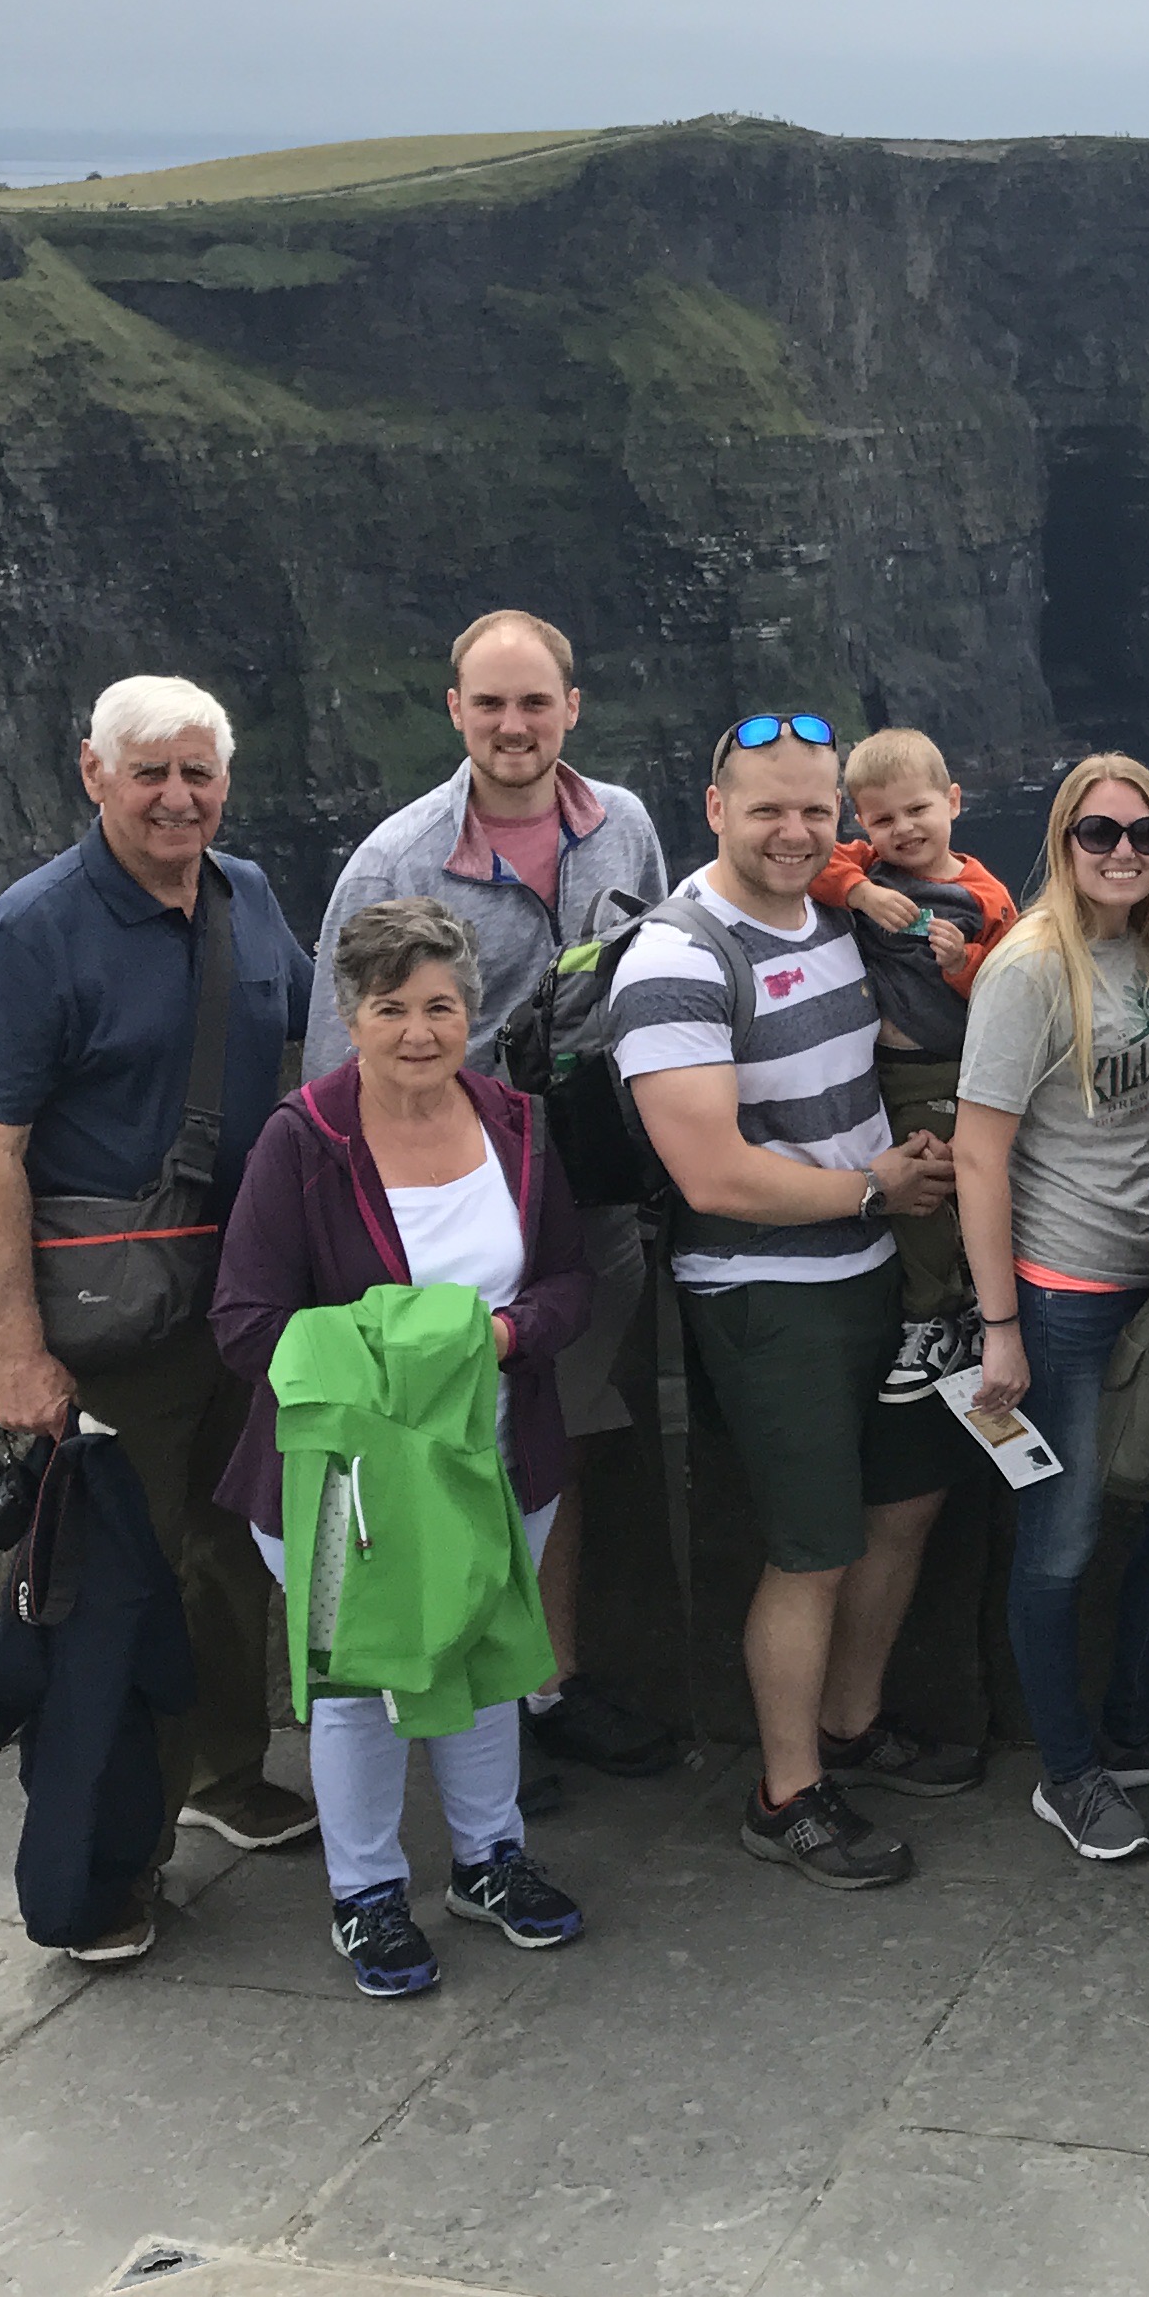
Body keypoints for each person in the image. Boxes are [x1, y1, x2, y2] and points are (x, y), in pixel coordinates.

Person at [0, 673, 318, 1961]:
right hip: (110, 1325)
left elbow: (323, 1050)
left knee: (231, 1555)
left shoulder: (247, 896)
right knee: (113, 1593)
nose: (176, 797)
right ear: (93, 773)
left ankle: (222, 1773)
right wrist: (16, 1350)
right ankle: (105, 1866)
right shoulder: (32, 931)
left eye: (197, 773)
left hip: (242, 1304)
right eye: (149, 771)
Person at [301, 608, 678, 1790]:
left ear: (573, 709)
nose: (515, 726)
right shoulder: (395, 866)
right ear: (456, 711)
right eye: (492, 704)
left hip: (590, 1206)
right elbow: (334, 1066)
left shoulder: (625, 829)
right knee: (445, 1462)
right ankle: (459, 1708)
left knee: (554, 1451)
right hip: (451, 1210)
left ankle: (539, 1689)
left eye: (535, 703)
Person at [609, 714, 979, 1895]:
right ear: (714, 809)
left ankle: (851, 1722)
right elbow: (711, 1175)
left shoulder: (833, 920)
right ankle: (786, 1793)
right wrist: (873, 1187)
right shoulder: (676, 957)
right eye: (767, 808)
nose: (794, 831)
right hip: (768, 1293)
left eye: (816, 810)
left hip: (882, 1270)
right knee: (813, 1547)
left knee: (906, 1501)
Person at [212, 898, 594, 1996]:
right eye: (391, 1009)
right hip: (344, 1482)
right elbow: (244, 1323)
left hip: (498, 1461)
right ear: (350, 1017)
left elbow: (570, 1278)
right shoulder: (304, 1141)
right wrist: (408, 1355)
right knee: (356, 1688)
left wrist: (508, 1337)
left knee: (483, 1660)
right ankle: (367, 1893)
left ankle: (489, 1860)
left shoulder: (518, 1125)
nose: (419, 1032)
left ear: (472, 1012)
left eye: (440, 1007)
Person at [952, 752, 1149, 1863]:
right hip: (1064, 1299)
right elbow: (979, 1153)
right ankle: (1067, 1771)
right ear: (1063, 842)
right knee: (1059, 1545)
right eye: (1099, 832)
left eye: (1145, 833)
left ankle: (1136, 1725)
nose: (1124, 852)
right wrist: (1000, 1325)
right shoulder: (1028, 968)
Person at [819, 725, 1021, 1395]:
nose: (903, 829)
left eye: (918, 809)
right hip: (874, 1071)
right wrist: (862, 894)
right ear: (861, 821)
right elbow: (813, 861)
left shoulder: (984, 895)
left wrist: (964, 963)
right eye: (883, 819)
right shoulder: (868, 868)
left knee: (924, 1182)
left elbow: (1015, 986)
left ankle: (939, 1311)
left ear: (953, 801)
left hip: (942, 1066)